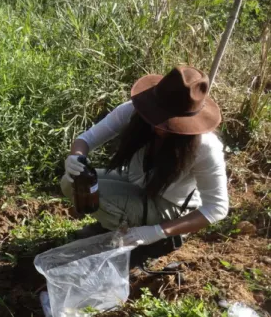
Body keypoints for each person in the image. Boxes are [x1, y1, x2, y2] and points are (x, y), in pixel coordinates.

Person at [60, 66, 229, 247]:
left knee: (100, 197)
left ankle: (135, 237)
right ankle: (114, 226)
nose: (158, 126)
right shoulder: (135, 111)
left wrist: (157, 232)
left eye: (170, 123)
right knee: (73, 183)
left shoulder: (205, 147)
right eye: (157, 116)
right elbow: (87, 139)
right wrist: (77, 158)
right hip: (138, 183)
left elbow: (217, 207)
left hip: (168, 206)